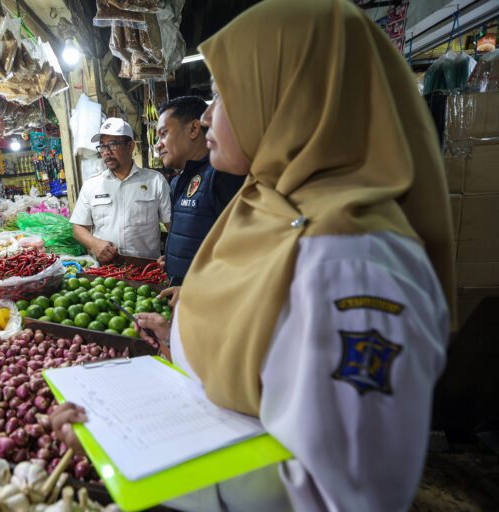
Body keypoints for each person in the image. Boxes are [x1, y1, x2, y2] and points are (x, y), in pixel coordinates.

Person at [51, 0, 455, 510]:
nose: (208, 114)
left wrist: (134, 459)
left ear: (292, 98)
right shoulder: (265, 206)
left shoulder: (353, 264)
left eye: (223, 94)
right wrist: (188, 350)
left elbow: (348, 494)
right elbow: (273, 371)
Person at [155, 96, 246, 307]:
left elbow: (242, 252)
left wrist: (195, 288)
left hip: (215, 306)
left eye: (164, 133)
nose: (158, 145)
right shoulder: (179, 182)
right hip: (186, 303)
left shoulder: (223, 175)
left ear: (194, 129)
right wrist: (174, 257)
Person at [70, 118, 172, 262]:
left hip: (147, 270)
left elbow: (172, 226)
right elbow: (78, 227)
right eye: (103, 146)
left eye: (112, 145)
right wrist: (95, 244)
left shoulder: (155, 181)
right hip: (106, 272)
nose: (106, 152)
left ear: (130, 146)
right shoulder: (91, 185)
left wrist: (174, 256)